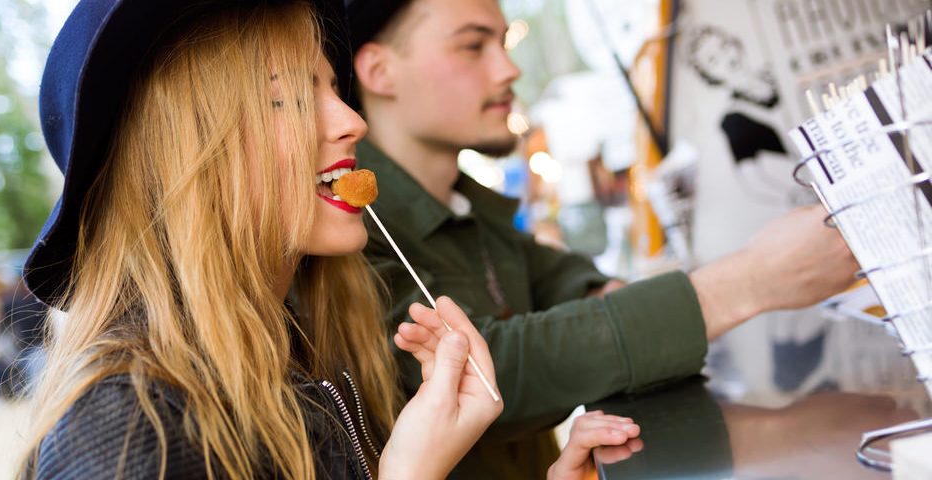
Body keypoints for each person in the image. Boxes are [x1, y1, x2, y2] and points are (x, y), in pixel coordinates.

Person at [17, 0, 636, 478]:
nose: (351, 121)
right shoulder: (122, 428)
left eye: (331, 88)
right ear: (186, 164)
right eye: (285, 99)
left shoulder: (310, 348)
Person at [345, 0, 860, 477]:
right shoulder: (347, 228)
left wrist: (614, 307)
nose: (509, 69)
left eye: (503, 43)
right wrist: (750, 281)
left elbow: (568, 280)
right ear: (378, 71)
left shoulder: (470, 209)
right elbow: (482, 372)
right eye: (473, 45)